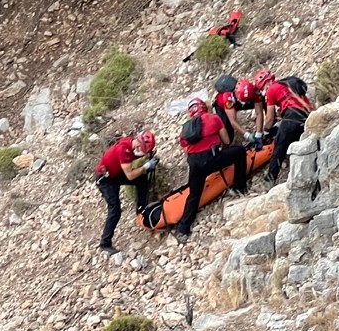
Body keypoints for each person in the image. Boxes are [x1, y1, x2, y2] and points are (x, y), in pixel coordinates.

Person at [175, 98, 247, 244]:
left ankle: (183, 229)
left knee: (194, 195)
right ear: (204, 108)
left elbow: (185, 151)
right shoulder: (214, 118)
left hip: (194, 164)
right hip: (211, 159)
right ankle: (239, 186)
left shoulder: (185, 128)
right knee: (239, 152)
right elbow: (226, 141)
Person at [95, 130, 158, 255]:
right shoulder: (124, 150)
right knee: (115, 209)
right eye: (142, 149)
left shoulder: (132, 144)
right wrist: (146, 166)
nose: (140, 152)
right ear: (138, 144)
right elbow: (130, 175)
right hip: (105, 180)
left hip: (115, 174)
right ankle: (105, 243)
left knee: (142, 181)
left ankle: (141, 212)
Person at [263, 74, 313, 183]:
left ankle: (270, 179)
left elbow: (269, 118)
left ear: (266, 83)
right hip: (307, 115)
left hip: (292, 116)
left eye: (263, 87)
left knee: (279, 146)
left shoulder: (271, 89)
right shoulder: (286, 84)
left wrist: (266, 132)